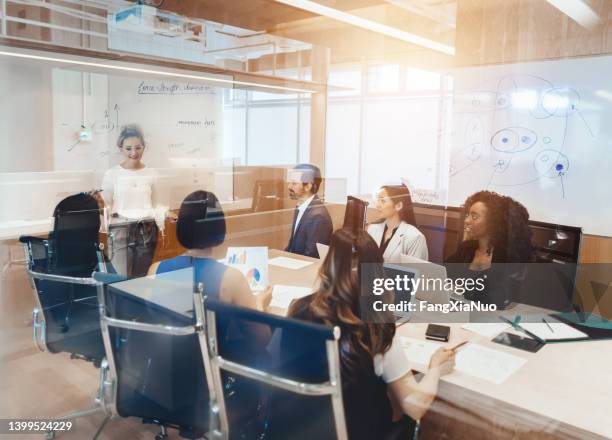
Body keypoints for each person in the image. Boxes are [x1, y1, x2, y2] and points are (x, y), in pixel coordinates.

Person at [283, 229, 455, 440]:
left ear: (327, 266)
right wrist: (435, 368)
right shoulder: (376, 328)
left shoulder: (298, 310)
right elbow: (414, 406)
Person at [149, 190, 270, 312]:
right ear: (218, 227)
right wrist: (260, 303)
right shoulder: (232, 279)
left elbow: (151, 318)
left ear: (181, 226)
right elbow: (260, 331)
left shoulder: (154, 271)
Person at [445, 190, 534, 308]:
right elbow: (441, 275)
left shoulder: (506, 256)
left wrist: (462, 289)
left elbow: (501, 297)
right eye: (467, 215)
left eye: (474, 216)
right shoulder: (466, 249)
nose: (466, 221)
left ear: (493, 222)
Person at [101, 125, 163, 277]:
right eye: (128, 148)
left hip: (147, 229)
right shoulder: (112, 174)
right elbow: (105, 206)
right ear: (121, 148)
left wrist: (164, 215)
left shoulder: (152, 173)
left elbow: (156, 204)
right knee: (120, 277)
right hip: (120, 229)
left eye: (138, 147)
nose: (134, 153)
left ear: (144, 147)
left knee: (141, 278)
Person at [367, 184, 428, 262]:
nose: (378, 205)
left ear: (398, 205)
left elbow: (416, 273)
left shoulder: (415, 237)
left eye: (383, 201)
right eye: (378, 200)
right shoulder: (372, 229)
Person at [285, 164, 333, 258]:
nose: (289, 186)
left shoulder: (318, 216)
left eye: (294, 183)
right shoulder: (300, 207)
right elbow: (292, 246)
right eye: (289, 182)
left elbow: (311, 256)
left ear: (308, 186)